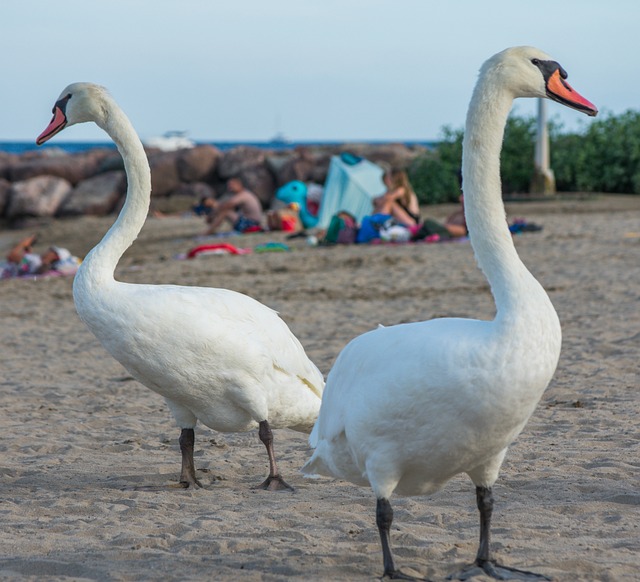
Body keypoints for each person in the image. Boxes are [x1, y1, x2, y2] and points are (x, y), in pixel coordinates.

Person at [1, 234, 79, 278]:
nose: (48, 250)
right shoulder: (37, 261)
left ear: (55, 256)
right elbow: (22, 263)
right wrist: (27, 253)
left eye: (51, 250)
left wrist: (23, 243)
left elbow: (11, 257)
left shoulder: (36, 262)